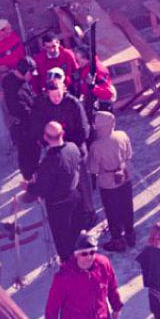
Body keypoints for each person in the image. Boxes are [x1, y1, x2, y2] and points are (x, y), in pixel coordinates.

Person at [31, 77, 94, 226]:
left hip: (75, 149)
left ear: (63, 90)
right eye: (53, 96)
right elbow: (38, 128)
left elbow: (84, 130)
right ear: (47, 94)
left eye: (58, 95)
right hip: (55, 149)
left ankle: (89, 211)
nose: (56, 99)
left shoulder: (73, 103)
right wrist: (48, 141)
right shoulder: (43, 106)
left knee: (83, 182)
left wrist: (69, 146)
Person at [45, 231, 123, 319]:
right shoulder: (63, 277)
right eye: (84, 253)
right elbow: (52, 306)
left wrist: (116, 306)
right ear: (76, 255)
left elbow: (112, 287)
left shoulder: (103, 264)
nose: (89, 257)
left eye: (92, 252)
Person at [24, 120, 83, 260]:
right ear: (62, 133)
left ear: (45, 137)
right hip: (75, 195)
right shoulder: (73, 147)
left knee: (62, 239)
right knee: (76, 232)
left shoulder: (49, 162)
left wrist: (29, 186)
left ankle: (69, 267)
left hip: (58, 204)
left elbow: (42, 189)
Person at [87, 111, 135, 252]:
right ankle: (130, 235)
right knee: (127, 206)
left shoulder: (96, 146)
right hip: (125, 177)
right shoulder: (122, 135)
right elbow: (128, 155)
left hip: (108, 183)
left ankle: (117, 241)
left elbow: (93, 168)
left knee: (112, 212)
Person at [1, 56, 39, 178]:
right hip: (24, 129)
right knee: (29, 154)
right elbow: (25, 112)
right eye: (30, 73)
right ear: (24, 72)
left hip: (25, 125)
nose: (32, 75)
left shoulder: (12, 79)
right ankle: (29, 179)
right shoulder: (15, 92)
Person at [71, 46, 117, 122]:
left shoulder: (99, 71)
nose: (76, 62)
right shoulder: (85, 68)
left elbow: (108, 94)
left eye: (77, 60)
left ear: (85, 58)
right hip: (90, 104)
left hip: (101, 108)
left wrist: (93, 87)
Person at [0, 17, 25, 83]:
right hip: (4, 76)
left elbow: (21, 53)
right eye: (8, 29)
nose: (11, 31)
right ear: (0, 32)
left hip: (19, 68)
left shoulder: (13, 36)